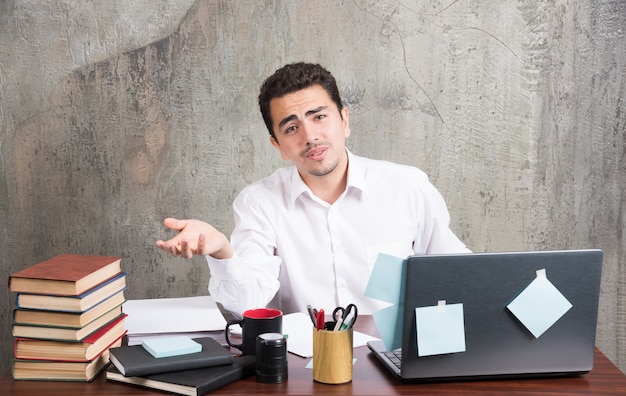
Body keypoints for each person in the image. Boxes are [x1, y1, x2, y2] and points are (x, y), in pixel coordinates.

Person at [157, 62, 470, 317]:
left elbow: (460, 277)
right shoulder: (258, 203)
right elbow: (247, 305)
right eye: (291, 128)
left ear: (344, 121)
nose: (310, 135)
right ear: (278, 145)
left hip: (395, 361)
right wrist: (223, 251)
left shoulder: (407, 187)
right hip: (302, 370)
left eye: (319, 117)